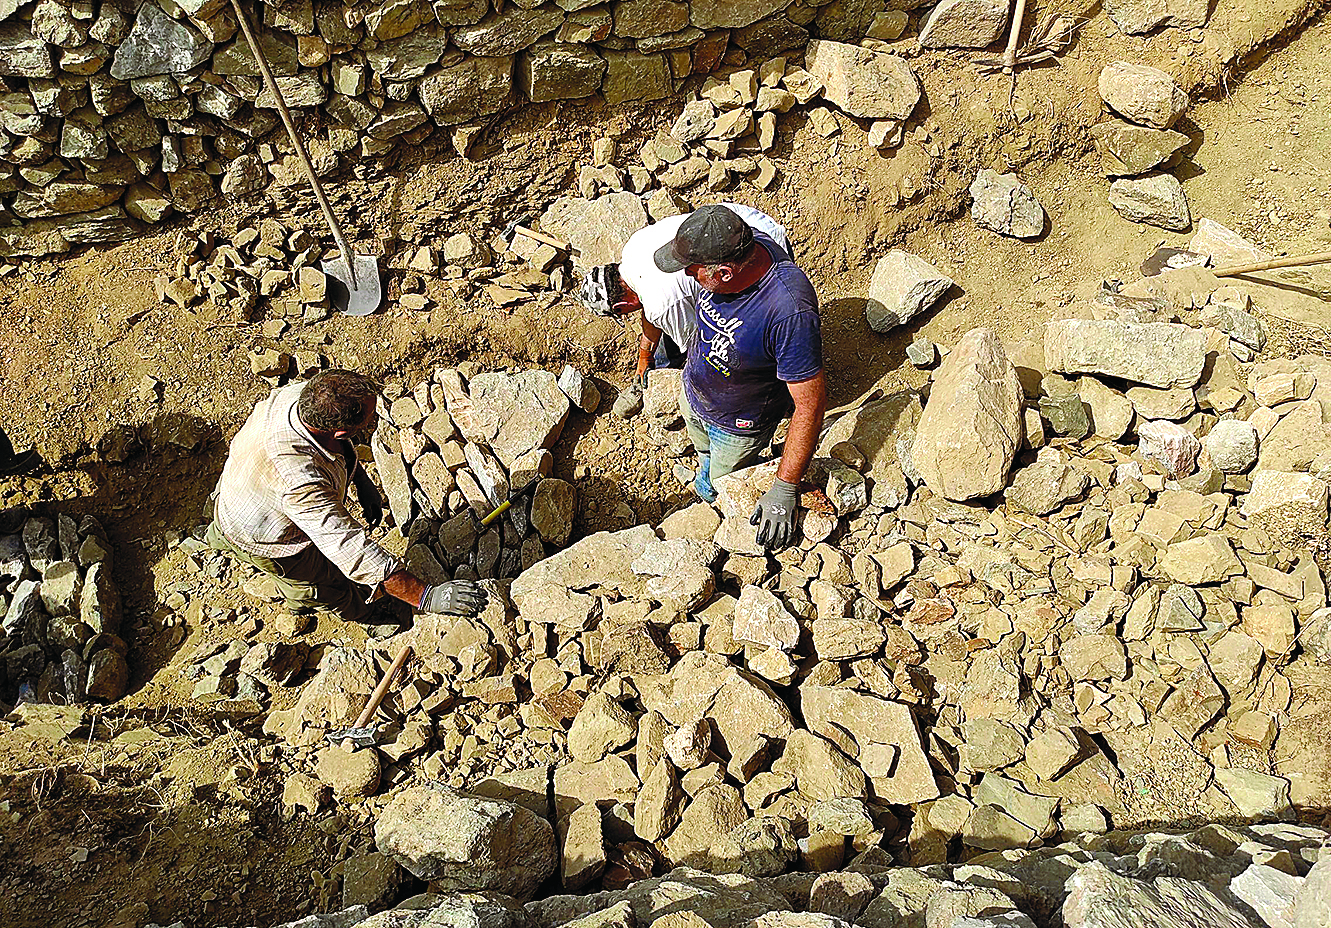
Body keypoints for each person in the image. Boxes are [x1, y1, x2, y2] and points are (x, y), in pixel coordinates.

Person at [206, 369, 486, 622]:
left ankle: (214, 535)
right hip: (267, 536)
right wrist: (426, 596)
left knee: (228, 527)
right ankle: (356, 614)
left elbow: (335, 447)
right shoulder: (298, 481)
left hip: (242, 492)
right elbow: (351, 549)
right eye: (368, 418)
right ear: (340, 431)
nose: (374, 420)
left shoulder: (305, 396)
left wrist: (359, 479)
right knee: (324, 585)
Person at [655, 205, 826, 550]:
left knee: (724, 481)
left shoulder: (787, 311)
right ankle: (704, 477)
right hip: (696, 391)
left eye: (694, 270)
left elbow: (810, 404)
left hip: (738, 424)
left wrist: (784, 488)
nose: (687, 275)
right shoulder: (742, 245)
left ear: (725, 273)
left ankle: (713, 506)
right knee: (703, 451)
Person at [578, 203, 790, 387]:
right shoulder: (633, 247)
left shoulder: (661, 304)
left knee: (734, 342)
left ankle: (777, 383)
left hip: (761, 261)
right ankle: (659, 371)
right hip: (742, 221)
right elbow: (648, 305)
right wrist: (645, 355)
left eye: (623, 312)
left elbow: (701, 346)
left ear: (620, 306)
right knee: (667, 329)